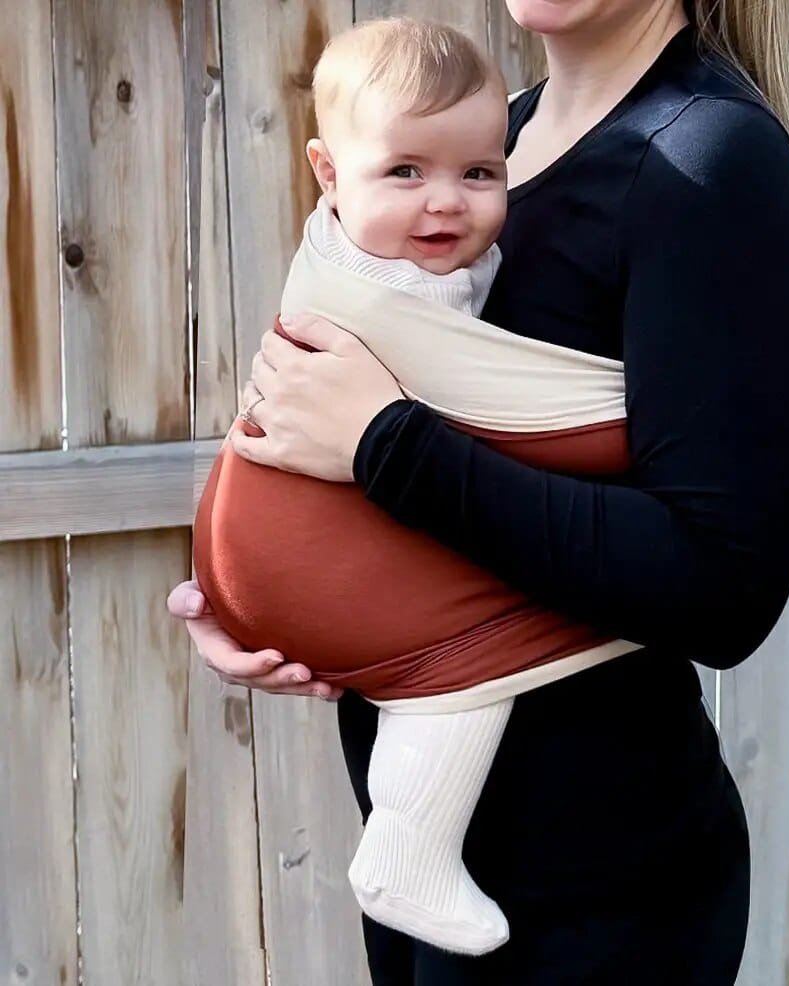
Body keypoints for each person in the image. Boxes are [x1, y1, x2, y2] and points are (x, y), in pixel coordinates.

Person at [169, 0, 789, 981]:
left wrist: (380, 441)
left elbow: (722, 583)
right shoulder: (492, 136)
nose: (450, 193)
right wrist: (255, 589)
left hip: (589, 889)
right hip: (427, 856)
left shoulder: (703, 161)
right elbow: (390, 433)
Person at [194, 17, 647, 956]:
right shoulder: (398, 294)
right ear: (327, 173)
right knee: (499, 644)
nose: (447, 203)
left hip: (273, 551)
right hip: (304, 554)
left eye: (480, 175)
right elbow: (509, 403)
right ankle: (409, 845)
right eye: (406, 172)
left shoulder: (367, 251)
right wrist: (651, 409)